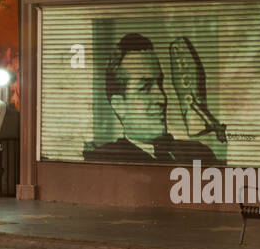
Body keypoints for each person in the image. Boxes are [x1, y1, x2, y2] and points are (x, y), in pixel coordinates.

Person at [83, 33, 217, 165]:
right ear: (119, 106)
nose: (161, 98)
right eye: (145, 88)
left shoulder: (199, 154)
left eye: (160, 84)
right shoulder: (105, 160)